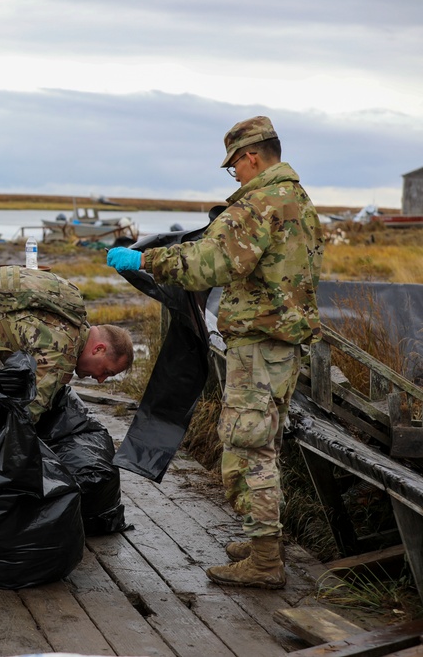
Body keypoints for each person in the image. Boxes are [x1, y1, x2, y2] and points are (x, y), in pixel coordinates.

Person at [106, 116, 323, 589]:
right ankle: (262, 540)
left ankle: (265, 562)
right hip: (283, 345)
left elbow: (210, 263)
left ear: (251, 156)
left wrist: (144, 259)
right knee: (264, 441)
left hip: (259, 345)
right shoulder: (299, 202)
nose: (236, 176)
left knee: (249, 446)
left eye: (235, 167)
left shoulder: (258, 204)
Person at [0, 265, 134, 424]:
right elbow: (30, 410)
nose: (100, 380)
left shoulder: (72, 325)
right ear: (99, 349)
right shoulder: (64, 350)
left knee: (5, 392)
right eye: (106, 371)